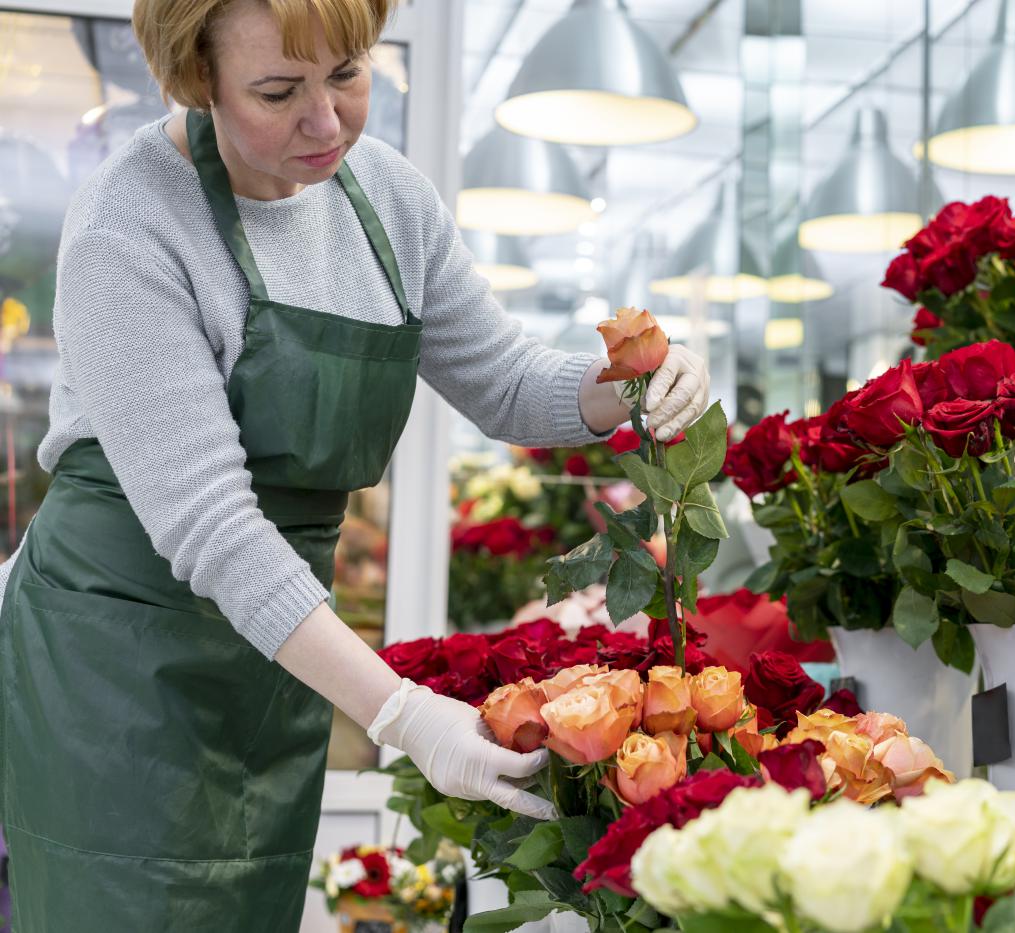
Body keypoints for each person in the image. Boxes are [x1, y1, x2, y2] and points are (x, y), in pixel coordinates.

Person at [0, 0, 709, 929]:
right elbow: (214, 528)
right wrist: (403, 715)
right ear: (195, 80)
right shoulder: (128, 227)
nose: (326, 121)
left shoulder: (385, 197)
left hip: (272, 655)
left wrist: (630, 383)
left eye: (347, 74)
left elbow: (503, 380)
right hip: (115, 666)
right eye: (277, 90)